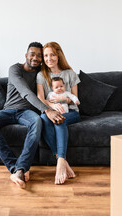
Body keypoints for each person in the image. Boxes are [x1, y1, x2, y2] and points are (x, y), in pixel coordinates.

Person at [0, 42, 64, 189]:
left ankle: (20, 169)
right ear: (26, 55)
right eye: (32, 54)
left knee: (37, 121)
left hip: (27, 113)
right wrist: (47, 110)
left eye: (39, 56)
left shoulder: (41, 73)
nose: (36, 58)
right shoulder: (15, 69)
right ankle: (17, 168)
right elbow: (25, 92)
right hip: (8, 110)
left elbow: (56, 79)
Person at [37, 42, 81, 185]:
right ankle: (61, 160)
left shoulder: (70, 74)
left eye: (52, 55)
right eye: (46, 55)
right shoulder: (41, 75)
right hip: (51, 110)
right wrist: (52, 105)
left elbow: (74, 100)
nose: (49, 58)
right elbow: (40, 98)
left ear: (58, 55)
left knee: (59, 119)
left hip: (71, 112)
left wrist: (62, 99)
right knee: (44, 118)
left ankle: (60, 160)